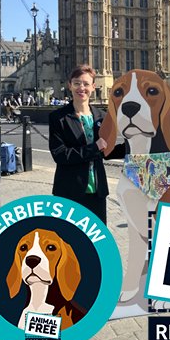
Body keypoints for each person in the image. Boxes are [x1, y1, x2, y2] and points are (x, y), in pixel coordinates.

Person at [49, 64, 119, 225]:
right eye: (77, 83)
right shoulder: (58, 117)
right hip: (69, 191)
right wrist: (94, 147)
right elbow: (60, 155)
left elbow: (107, 151)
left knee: (97, 242)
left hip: (97, 191)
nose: (82, 88)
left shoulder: (102, 116)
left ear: (93, 87)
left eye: (86, 84)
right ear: (70, 85)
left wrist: (136, 144)